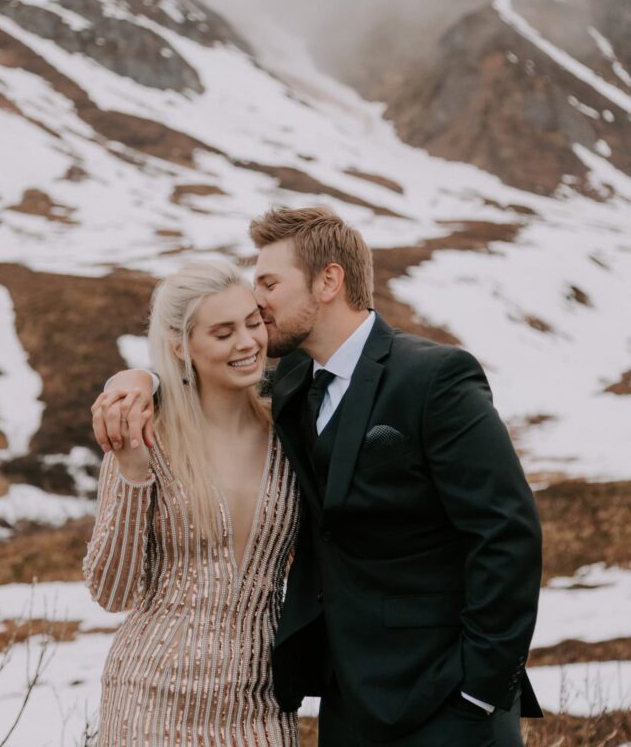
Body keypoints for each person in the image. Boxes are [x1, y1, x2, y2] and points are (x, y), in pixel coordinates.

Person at [98, 207, 543, 747]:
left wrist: (482, 689)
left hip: (442, 699)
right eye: (252, 291)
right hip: (339, 702)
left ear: (328, 281)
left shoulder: (433, 377)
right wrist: (140, 379)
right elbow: (201, 372)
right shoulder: (291, 388)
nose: (257, 307)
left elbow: (507, 533)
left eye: (268, 284)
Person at [84, 259, 300, 747]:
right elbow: (112, 592)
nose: (247, 343)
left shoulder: (291, 433)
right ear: (183, 346)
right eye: (223, 333)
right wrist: (133, 472)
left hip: (261, 704)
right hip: (150, 701)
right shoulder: (146, 433)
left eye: (252, 323)